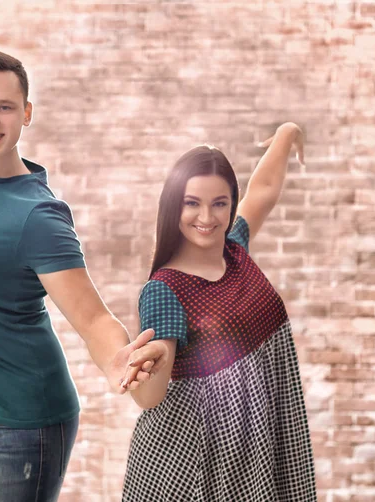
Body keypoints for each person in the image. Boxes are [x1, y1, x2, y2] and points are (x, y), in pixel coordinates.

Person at [0, 28, 168, 502]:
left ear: (26, 113)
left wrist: (117, 362)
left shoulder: (37, 216)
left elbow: (92, 318)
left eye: (5, 107)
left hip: (23, 425)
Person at [122, 123, 317, 501]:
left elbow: (262, 191)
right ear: (173, 205)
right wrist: (150, 363)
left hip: (251, 450)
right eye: (192, 203)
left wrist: (287, 134)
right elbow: (149, 399)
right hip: (195, 464)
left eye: (219, 203)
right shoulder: (164, 291)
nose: (207, 217)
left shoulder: (234, 249)